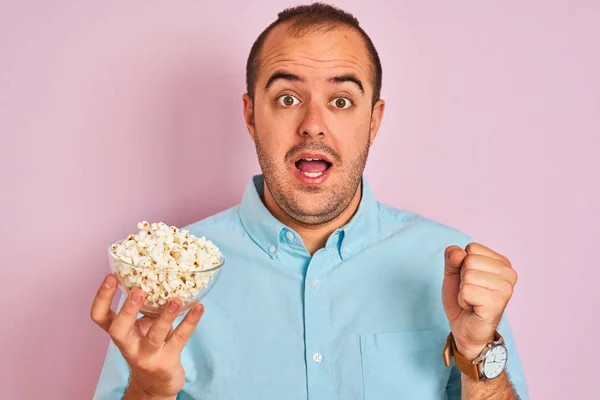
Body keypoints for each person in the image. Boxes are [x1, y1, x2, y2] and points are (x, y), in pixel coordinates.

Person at [91, 3, 529, 399]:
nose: (312, 125)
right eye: (287, 98)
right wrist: (149, 391)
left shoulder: (450, 267)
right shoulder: (172, 277)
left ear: (373, 121)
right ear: (250, 116)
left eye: (341, 100)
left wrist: (478, 361)